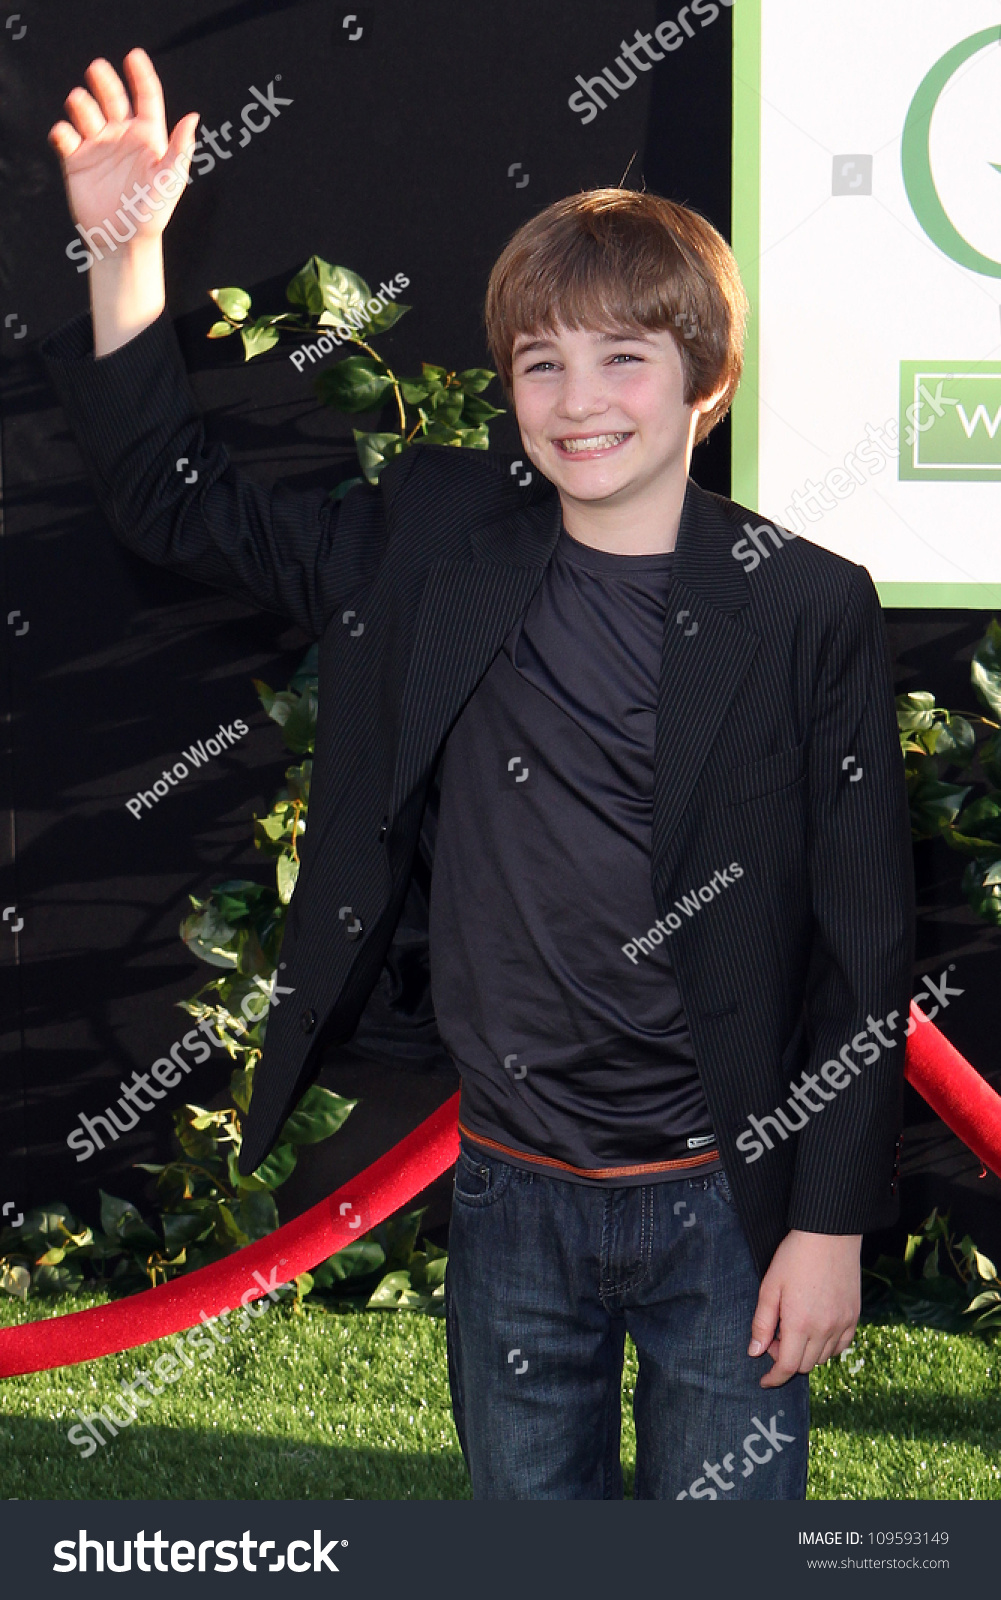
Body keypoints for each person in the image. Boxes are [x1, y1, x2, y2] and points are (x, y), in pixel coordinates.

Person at [43, 49, 914, 1501]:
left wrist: (825, 1227)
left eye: (623, 357)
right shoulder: (427, 543)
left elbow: (863, 936)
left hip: (728, 1204)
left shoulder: (803, 604)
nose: (579, 400)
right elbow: (168, 500)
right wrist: (122, 256)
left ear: (707, 382)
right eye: (539, 361)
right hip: (511, 1195)